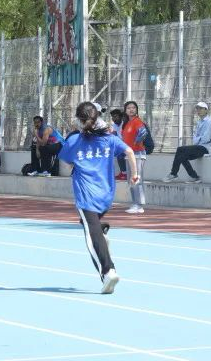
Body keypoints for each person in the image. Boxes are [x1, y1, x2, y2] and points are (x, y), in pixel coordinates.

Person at [58, 101, 139, 294]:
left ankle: (108, 271)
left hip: (86, 195)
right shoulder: (109, 139)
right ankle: (101, 233)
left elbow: (67, 162)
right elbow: (129, 151)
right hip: (106, 194)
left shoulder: (74, 140)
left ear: (79, 120)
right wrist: (134, 175)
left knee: (90, 235)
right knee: (91, 225)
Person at [162, 102, 211, 183]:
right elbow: (194, 139)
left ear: (206, 110)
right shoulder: (199, 122)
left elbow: (206, 138)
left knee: (180, 150)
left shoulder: (209, 121)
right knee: (181, 155)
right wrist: (199, 139)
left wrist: (198, 139)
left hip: (206, 148)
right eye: (197, 108)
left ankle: (174, 174)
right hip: (199, 147)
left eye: (201, 108)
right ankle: (195, 177)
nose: (198, 110)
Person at [120, 101, 150, 213]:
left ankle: (139, 205)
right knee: (131, 180)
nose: (131, 110)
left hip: (137, 154)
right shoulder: (127, 123)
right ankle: (135, 203)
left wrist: (136, 142)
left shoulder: (137, 121)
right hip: (129, 155)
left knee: (136, 178)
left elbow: (143, 132)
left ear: (136, 110)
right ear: (125, 110)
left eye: (133, 108)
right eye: (128, 108)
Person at [109, 108, 127, 180]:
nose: (113, 119)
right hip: (121, 144)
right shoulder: (115, 125)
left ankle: (124, 173)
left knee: (120, 154)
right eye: (112, 117)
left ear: (121, 117)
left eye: (115, 116)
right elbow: (114, 135)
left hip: (128, 144)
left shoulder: (124, 124)